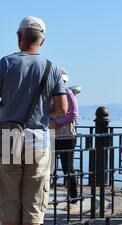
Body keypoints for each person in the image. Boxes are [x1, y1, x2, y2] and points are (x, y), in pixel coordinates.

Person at [0, 16, 68, 225]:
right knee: (34, 202)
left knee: (8, 200)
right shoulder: (51, 67)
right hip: (38, 139)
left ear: (19, 36)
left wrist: (9, 110)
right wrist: (43, 114)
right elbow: (62, 108)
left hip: (9, 135)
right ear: (42, 39)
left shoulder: (6, 63)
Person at [50, 67, 79, 212]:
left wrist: (56, 123)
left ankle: (73, 199)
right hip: (51, 136)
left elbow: (73, 114)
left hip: (66, 136)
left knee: (68, 168)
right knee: (47, 168)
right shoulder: (49, 94)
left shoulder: (68, 93)